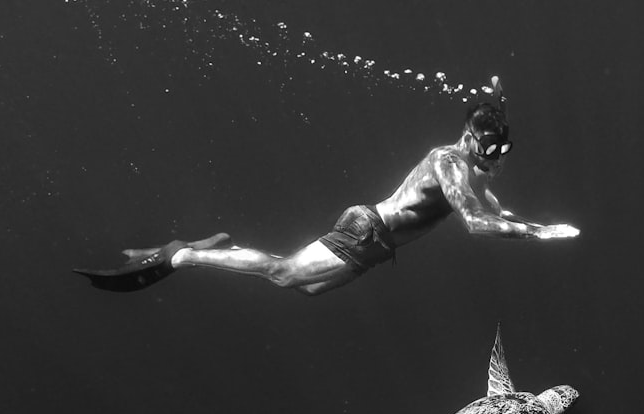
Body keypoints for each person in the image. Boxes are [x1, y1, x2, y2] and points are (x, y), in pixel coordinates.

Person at [74, 77, 579, 296]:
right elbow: (472, 221)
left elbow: (488, 204)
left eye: (503, 152)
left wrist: (510, 215)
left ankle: (217, 246)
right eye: (490, 151)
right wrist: (538, 233)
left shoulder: (468, 169)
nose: (495, 161)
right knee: (282, 273)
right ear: (470, 138)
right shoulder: (448, 163)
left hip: (376, 247)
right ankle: (183, 254)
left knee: (307, 289)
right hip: (366, 232)